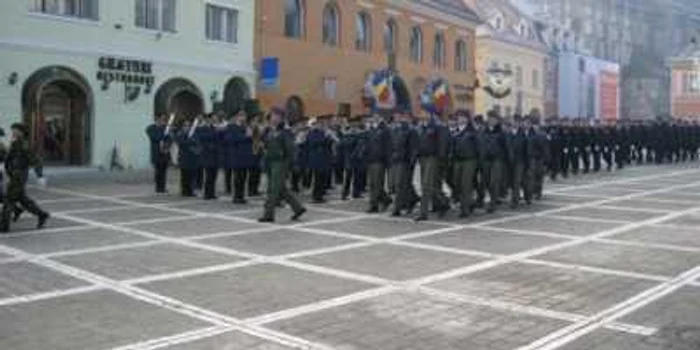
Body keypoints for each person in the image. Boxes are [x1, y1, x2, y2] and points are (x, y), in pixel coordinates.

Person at [258, 107, 306, 223]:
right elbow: (263, 143)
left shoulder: (285, 132)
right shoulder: (268, 130)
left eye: (277, 116)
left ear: (281, 118)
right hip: (270, 161)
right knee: (281, 189)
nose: (274, 118)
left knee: (273, 189)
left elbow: (291, 149)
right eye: (273, 115)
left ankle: (268, 214)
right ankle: (298, 208)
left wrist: (292, 164)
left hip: (281, 162)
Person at [0, 123, 50, 232]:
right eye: (12, 130)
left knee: (8, 199)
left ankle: (4, 226)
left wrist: (40, 176)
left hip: (19, 176)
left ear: (21, 132)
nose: (12, 132)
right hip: (14, 175)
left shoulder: (24, 144)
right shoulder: (15, 143)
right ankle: (42, 215)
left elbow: (36, 160)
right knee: (23, 200)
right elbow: (8, 158)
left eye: (15, 130)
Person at [390, 110, 419, 217]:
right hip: (395, 160)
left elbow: (414, 148)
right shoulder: (394, 129)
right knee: (403, 184)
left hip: (404, 161)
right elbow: (392, 146)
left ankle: (397, 208)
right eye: (395, 115)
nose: (397, 117)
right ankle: (413, 198)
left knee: (399, 185)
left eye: (399, 115)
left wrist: (411, 162)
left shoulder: (411, 130)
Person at [451, 111, 479, 217]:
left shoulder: (472, 131)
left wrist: (478, 163)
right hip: (457, 160)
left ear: (467, 119)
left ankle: (465, 209)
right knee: (457, 183)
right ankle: (470, 203)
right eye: (458, 117)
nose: (460, 119)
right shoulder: (456, 131)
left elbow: (478, 147)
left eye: (462, 117)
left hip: (469, 160)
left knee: (466, 184)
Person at [365, 114, 392, 213]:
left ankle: (374, 205)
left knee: (376, 184)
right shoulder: (371, 129)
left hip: (380, 160)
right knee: (372, 184)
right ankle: (385, 199)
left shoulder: (385, 129)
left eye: (376, 115)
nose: (373, 117)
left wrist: (388, 162)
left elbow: (388, 147)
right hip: (371, 160)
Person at [145, 114, 171, 194]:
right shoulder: (150, 128)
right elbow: (155, 138)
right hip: (156, 153)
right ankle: (158, 188)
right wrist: (164, 134)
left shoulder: (165, 128)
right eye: (160, 119)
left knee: (164, 171)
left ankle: (163, 187)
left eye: (163, 119)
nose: (162, 121)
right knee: (158, 171)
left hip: (165, 152)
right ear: (156, 119)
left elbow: (169, 139)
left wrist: (167, 144)